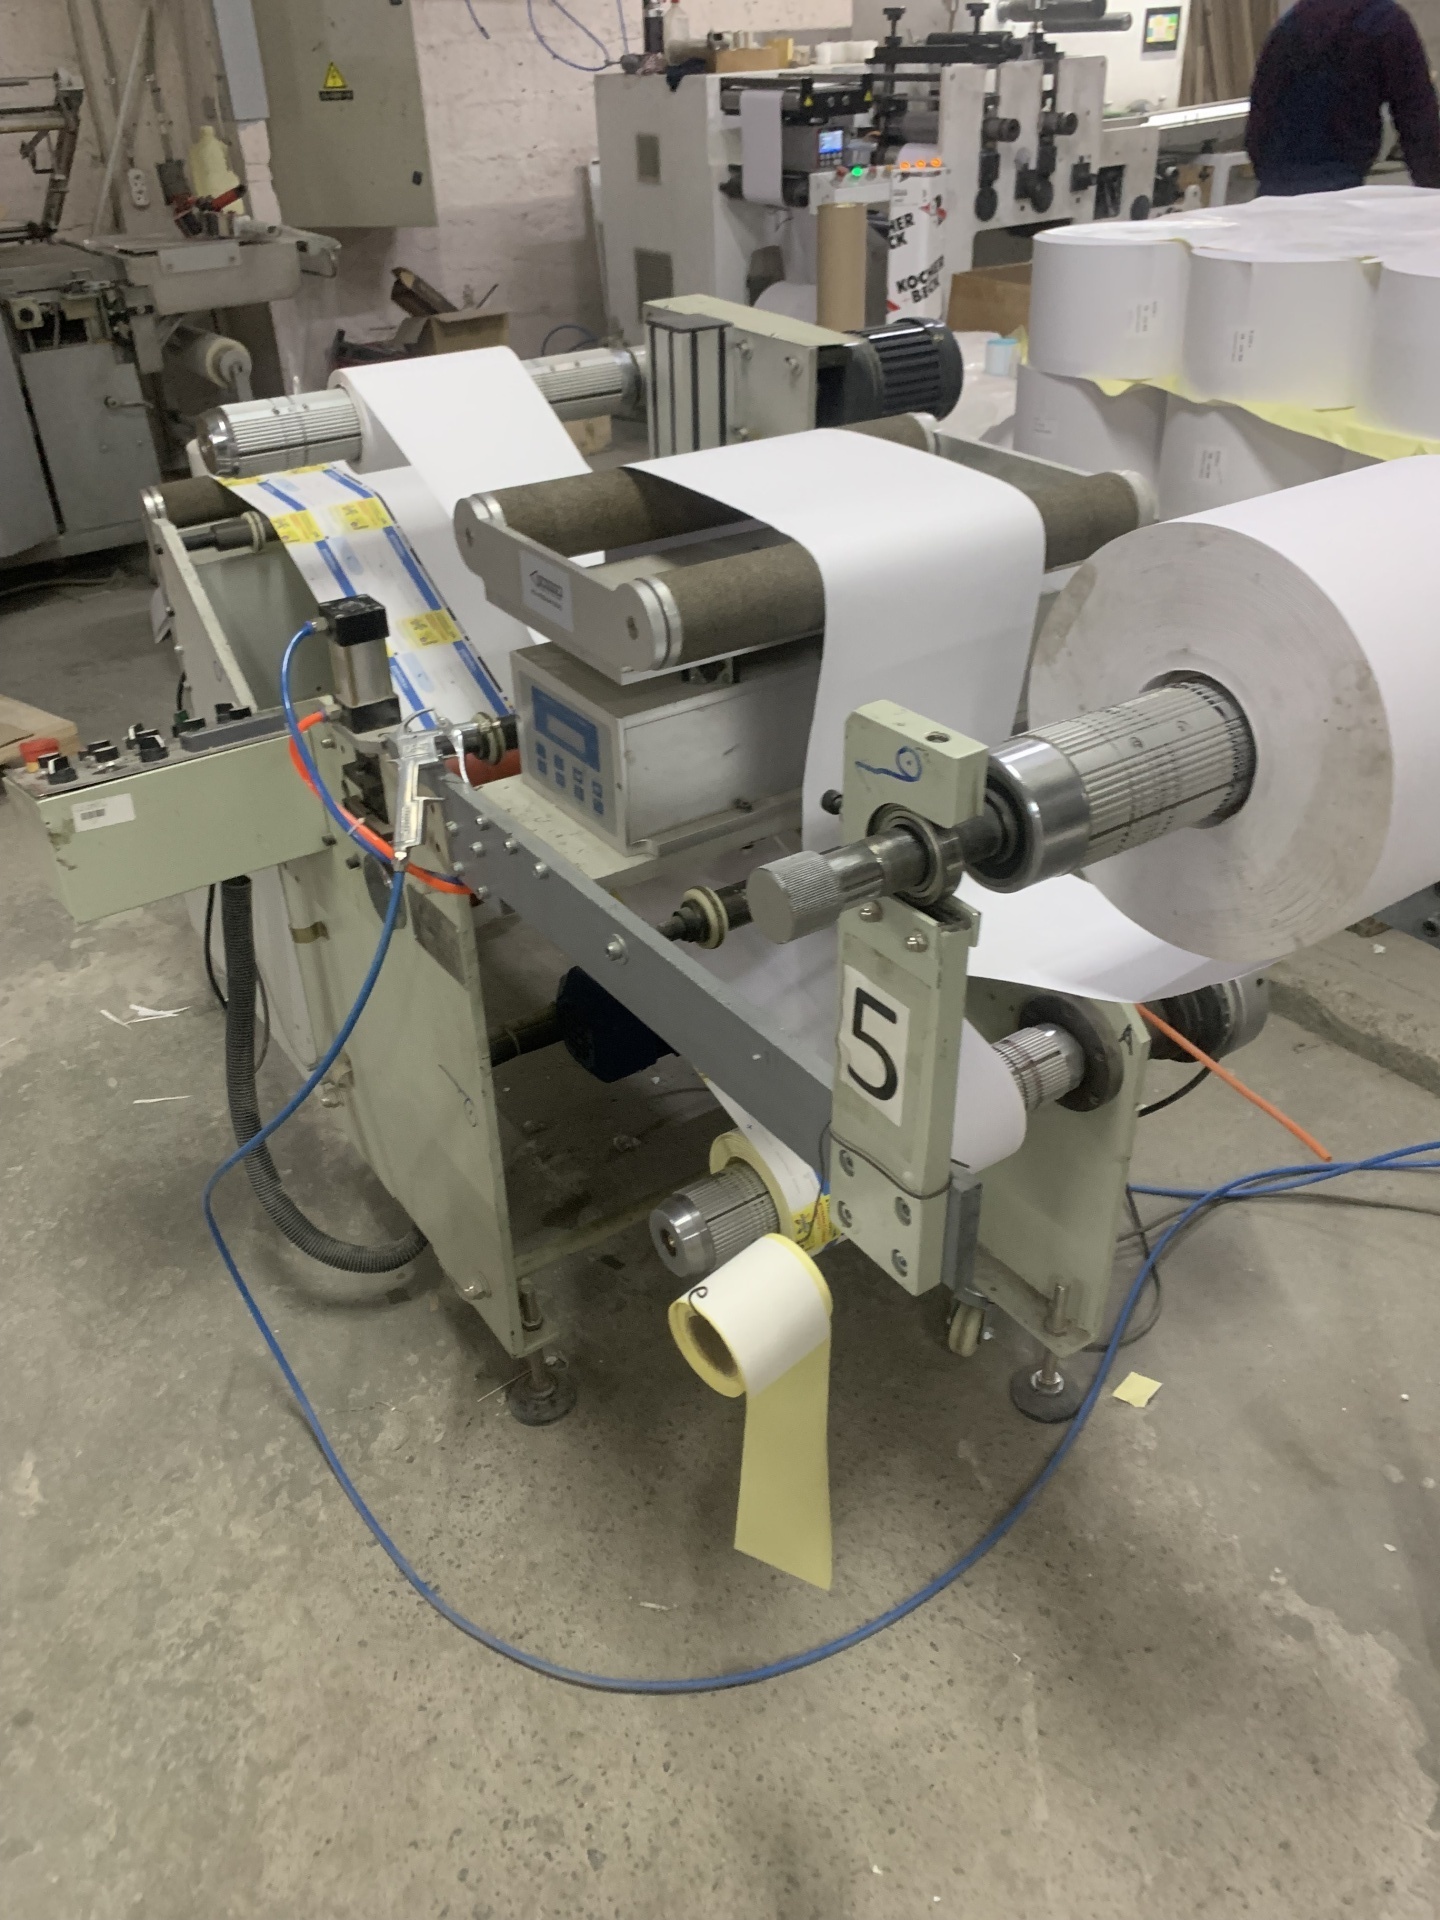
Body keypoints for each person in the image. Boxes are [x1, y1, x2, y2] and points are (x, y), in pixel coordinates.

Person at [1246, 0, 1440, 194]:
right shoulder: (1385, 22)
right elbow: (1418, 120)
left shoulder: (1291, 22)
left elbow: (1260, 115)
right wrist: (1433, 187)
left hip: (1275, 183)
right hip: (1339, 181)